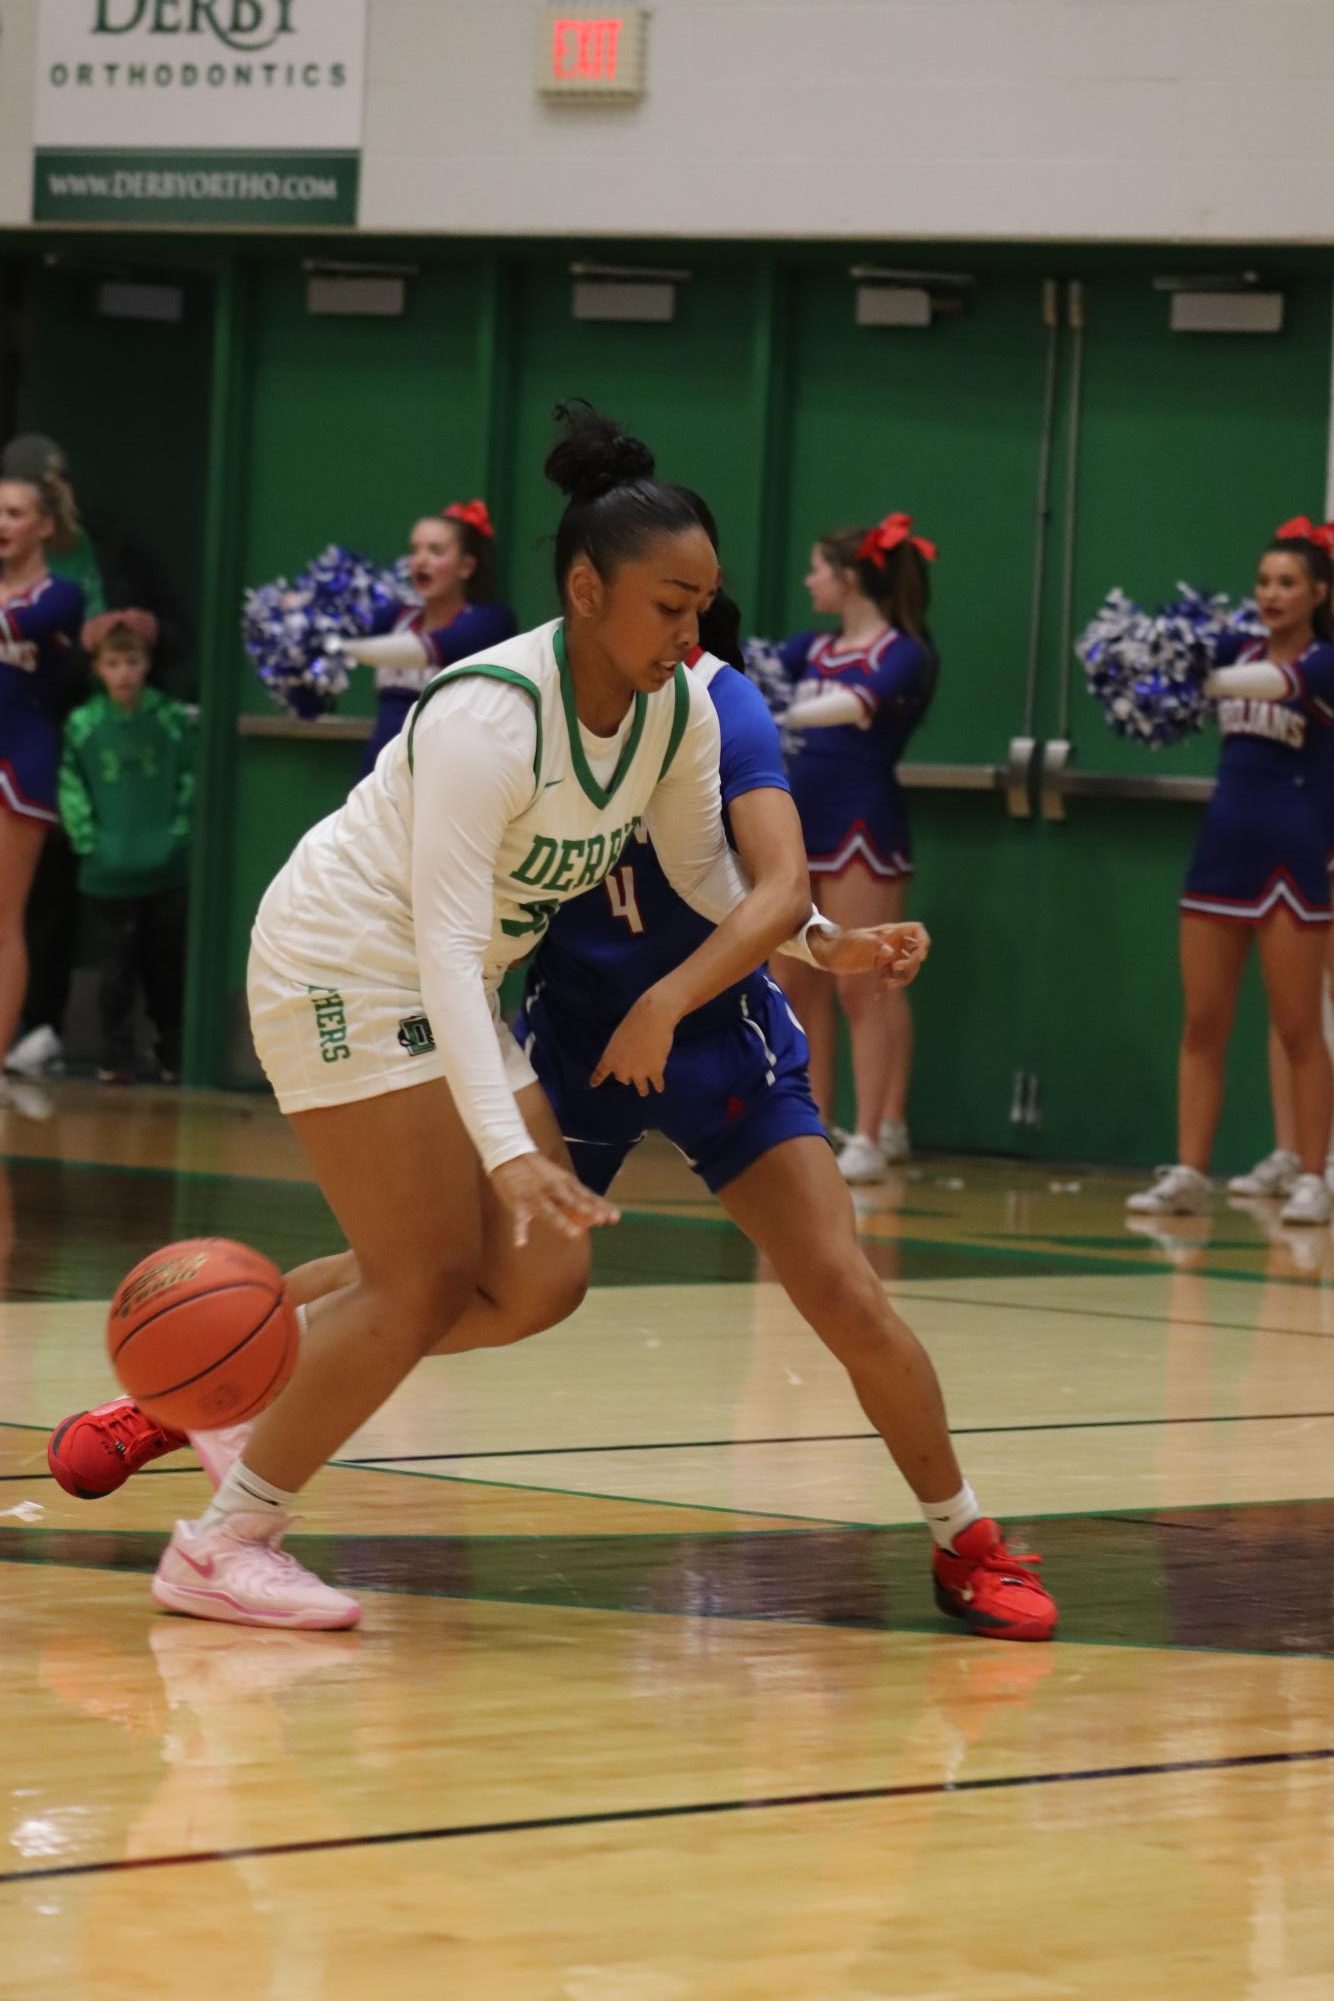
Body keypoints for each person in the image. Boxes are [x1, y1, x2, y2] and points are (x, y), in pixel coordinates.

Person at [50, 489, 1057, 1645]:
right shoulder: (488, 718)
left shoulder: (686, 707)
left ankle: (239, 1388)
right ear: (587, 591)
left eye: (704, 608)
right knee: (420, 1272)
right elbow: (437, 957)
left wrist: (824, 944)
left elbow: (721, 884)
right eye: (670, 605)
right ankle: (224, 1535)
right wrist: (501, 1145)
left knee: (538, 1281)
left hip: (572, 1013)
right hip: (352, 966)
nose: (695, 632)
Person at [1129, 518, 1334, 1226]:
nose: (1272, 594)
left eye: (1287, 583)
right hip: (1223, 850)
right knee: (1202, 1022)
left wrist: (1194, 677)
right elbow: (1165, 656)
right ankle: (1189, 1171)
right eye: (1264, 582)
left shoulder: (1321, 661)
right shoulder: (1233, 644)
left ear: (1318, 593)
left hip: (1293, 854)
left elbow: (1273, 683)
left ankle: (1312, 1174)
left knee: (1298, 1025)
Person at [4, 431, 192, 1083]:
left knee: (135, 915)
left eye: (23, 506)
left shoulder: (98, 558)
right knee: (43, 902)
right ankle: (42, 1026)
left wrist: (145, 633)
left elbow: (175, 622)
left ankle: (152, 1040)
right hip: (51, 728)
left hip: (105, 740)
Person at [768, 515, 938, 1184]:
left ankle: (871, 1131)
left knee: (866, 979)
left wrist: (774, 709)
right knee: (796, 978)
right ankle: (812, 1122)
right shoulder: (807, 649)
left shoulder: (905, 653)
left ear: (850, 576)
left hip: (863, 823)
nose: (809, 580)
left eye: (817, 568)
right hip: (796, 819)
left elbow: (855, 704)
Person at [58, 614, 194, 1084]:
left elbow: (188, 782)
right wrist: (89, 843)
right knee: (115, 969)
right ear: (97, 668)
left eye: (132, 661)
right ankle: (116, 1055)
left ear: (147, 664)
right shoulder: (83, 725)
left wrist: (178, 836)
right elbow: (72, 788)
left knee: (163, 964)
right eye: (113, 663)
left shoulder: (171, 719)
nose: (124, 673)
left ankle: (172, 1050)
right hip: (107, 870)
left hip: (164, 867)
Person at [0, 470, 84, 1114]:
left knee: (3, 920)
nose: (2, 523)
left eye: (15, 512)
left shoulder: (62, 595)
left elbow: (19, 623)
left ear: (45, 526)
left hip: (19, 758)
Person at [322, 500, 517, 777]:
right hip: (378, 775)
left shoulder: (489, 621)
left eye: (436, 551)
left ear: (466, 567)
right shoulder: (398, 616)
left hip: (447, 778)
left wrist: (339, 647)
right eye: (414, 550)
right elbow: (339, 621)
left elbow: (424, 650)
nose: (420, 560)